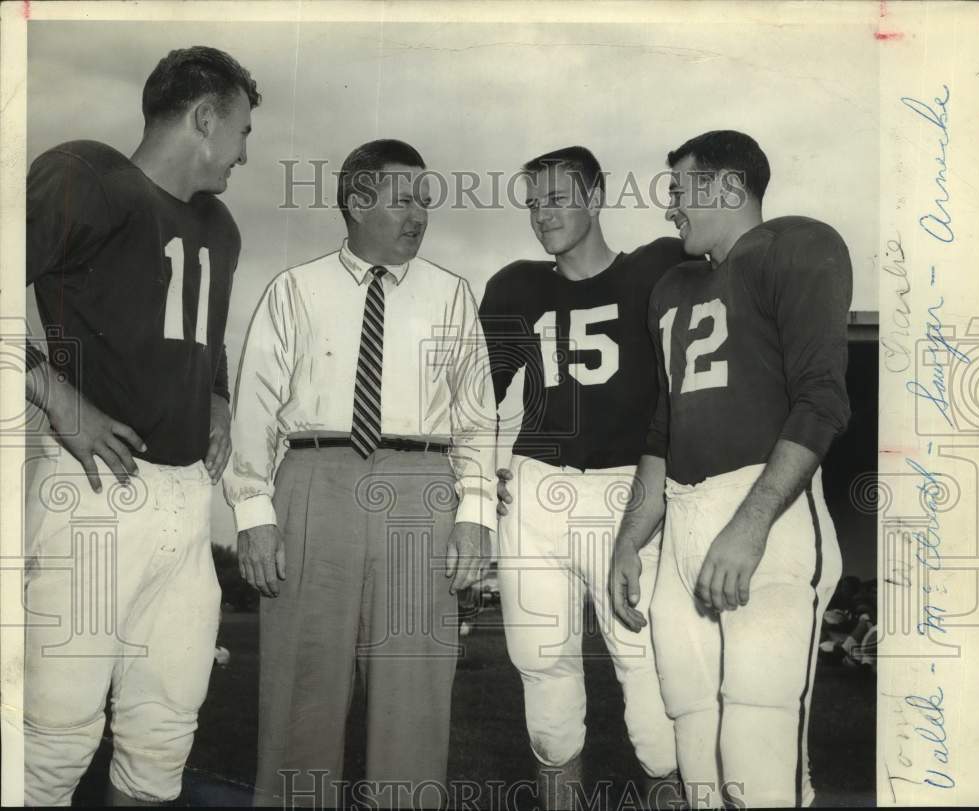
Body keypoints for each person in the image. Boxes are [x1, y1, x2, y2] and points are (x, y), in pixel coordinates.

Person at [223, 139, 497, 808]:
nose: (419, 215)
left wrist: (476, 516)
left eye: (425, 202)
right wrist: (255, 517)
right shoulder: (294, 289)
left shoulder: (451, 295)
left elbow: (477, 418)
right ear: (357, 200)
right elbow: (253, 409)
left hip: (421, 490)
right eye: (405, 199)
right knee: (299, 695)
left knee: (414, 702)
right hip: (315, 481)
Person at [22, 46, 259, 806]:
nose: (245, 154)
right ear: (205, 117)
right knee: (53, 739)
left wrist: (218, 396)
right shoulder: (84, 176)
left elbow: (202, 336)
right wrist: (55, 393)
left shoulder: (219, 225)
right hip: (95, 490)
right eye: (243, 131)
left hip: (187, 504)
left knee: (162, 737)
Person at [609, 130, 851, 808]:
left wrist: (748, 528)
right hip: (680, 522)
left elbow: (821, 400)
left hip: (764, 513)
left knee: (758, 757)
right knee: (698, 764)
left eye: (681, 191)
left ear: (727, 187)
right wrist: (632, 538)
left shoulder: (798, 246)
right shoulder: (671, 287)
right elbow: (663, 427)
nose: (671, 210)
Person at [479, 146, 688, 810]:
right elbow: (473, 398)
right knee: (545, 679)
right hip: (537, 488)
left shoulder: (658, 267)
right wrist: (481, 470)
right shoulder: (515, 285)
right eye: (533, 202)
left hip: (630, 493)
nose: (543, 215)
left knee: (653, 684)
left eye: (558, 198)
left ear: (595, 197)